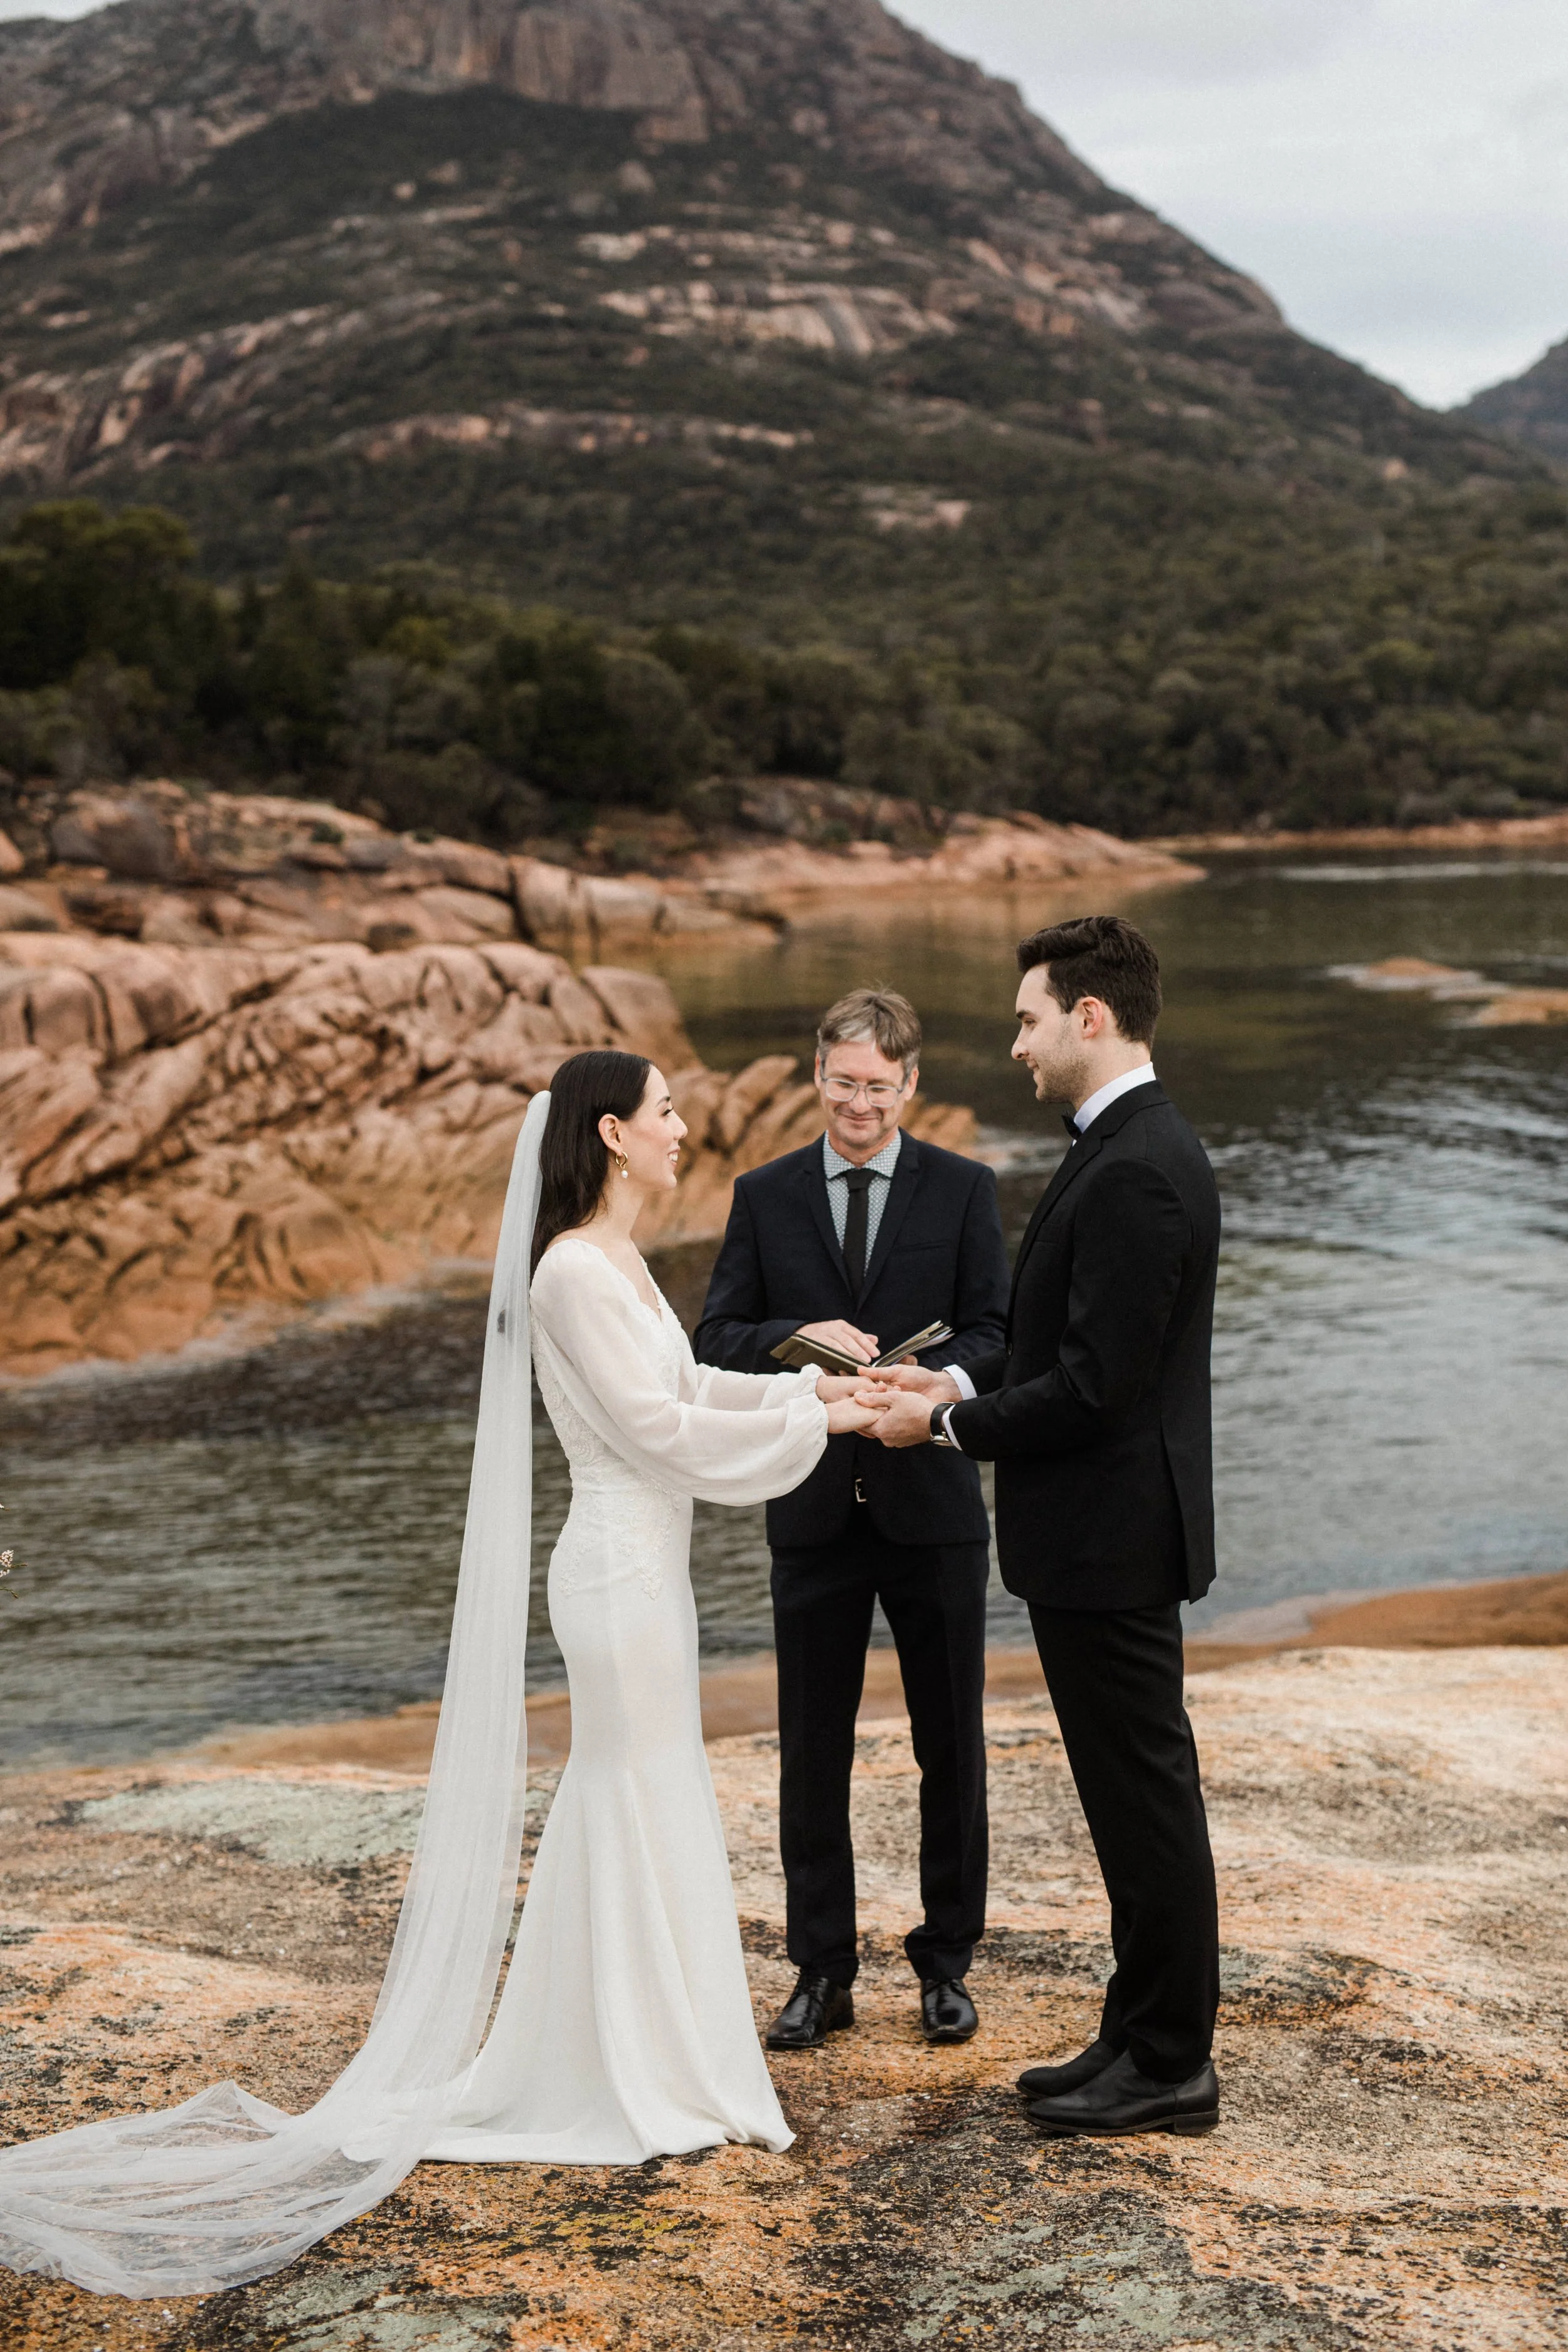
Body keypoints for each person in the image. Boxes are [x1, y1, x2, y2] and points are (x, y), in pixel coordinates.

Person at [0, 1052, 881, 2296]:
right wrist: (822, 1422)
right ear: (614, 1133)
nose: (687, 1126)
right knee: (629, 1792)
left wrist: (814, 1386)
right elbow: (658, 1433)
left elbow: (686, 1385)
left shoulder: (612, 1258)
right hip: (615, 1575)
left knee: (648, 1789)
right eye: (668, 1111)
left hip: (652, 1576)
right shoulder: (571, 1270)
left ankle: (657, 2055)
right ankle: (633, 2071)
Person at [864, 916, 1224, 2140]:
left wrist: (944, 1436)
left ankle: (1171, 2062)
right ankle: (1133, 2034)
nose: (1012, 1044)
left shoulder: (1133, 1164)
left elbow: (1093, 1389)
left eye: (1025, 1019)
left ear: (1088, 1016)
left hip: (1113, 1540)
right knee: (1126, 1799)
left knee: (1144, 1799)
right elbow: (1054, 1350)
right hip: (1098, 1538)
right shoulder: (1121, 1145)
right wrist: (950, 1385)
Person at [697, 988, 1009, 2052]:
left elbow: (1002, 1333)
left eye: (880, 1085)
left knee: (951, 1744)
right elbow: (720, 1334)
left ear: (910, 1084)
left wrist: (940, 1382)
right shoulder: (764, 1192)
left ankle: (947, 1964)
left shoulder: (966, 1188)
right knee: (811, 1751)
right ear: (816, 1075)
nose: (861, 1104)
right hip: (813, 1506)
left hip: (934, 1504)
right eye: (844, 1083)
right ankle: (820, 1972)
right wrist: (799, 1333)